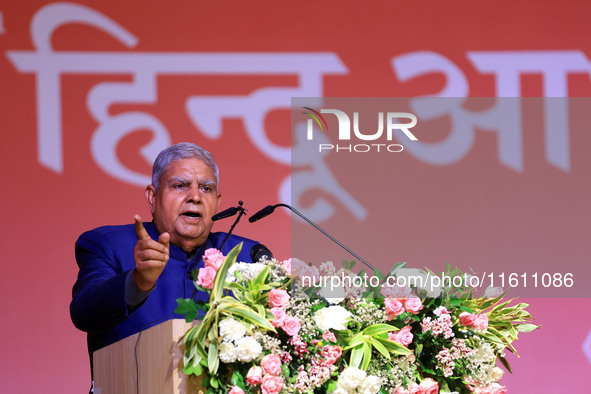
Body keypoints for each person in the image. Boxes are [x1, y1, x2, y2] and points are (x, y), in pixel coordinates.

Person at [70, 142, 265, 376]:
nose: (194, 197)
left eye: (206, 188)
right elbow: (84, 313)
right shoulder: (108, 245)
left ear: (218, 201)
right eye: (180, 185)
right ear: (152, 197)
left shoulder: (247, 256)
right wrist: (138, 282)